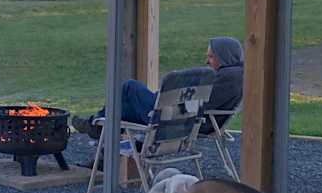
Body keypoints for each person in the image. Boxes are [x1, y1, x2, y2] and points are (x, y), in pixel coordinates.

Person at [72, 36, 244, 138]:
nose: (207, 61)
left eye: (211, 56)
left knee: (130, 86)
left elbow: (199, 104)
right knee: (122, 110)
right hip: (180, 116)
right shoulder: (233, 75)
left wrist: (169, 97)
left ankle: (94, 125)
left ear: (225, 56)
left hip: (175, 119)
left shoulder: (227, 78)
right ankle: (101, 144)